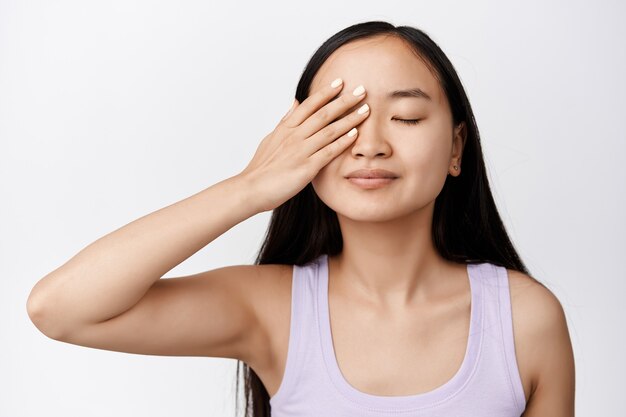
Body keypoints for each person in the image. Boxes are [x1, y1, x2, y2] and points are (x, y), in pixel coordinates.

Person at [26, 20, 575, 417]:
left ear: (457, 147)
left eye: (406, 116)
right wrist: (251, 187)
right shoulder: (273, 309)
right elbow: (60, 309)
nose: (371, 145)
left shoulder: (526, 319)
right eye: (341, 120)